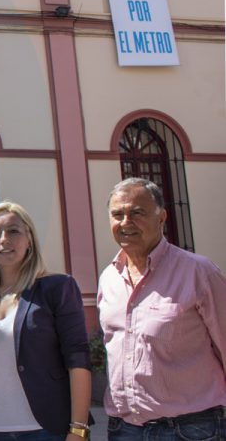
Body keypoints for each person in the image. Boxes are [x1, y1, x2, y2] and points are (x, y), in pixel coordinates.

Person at [99, 178, 226, 440]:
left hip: (191, 429)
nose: (125, 222)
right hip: (123, 429)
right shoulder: (108, 278)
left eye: (137, 213)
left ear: (162, 218)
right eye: (117, 214)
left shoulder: (198, 272)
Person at [0, 201, 91, 441]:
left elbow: (78, 359)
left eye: (13, 231)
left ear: (29, 240)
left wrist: (78, 429)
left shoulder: (57, 288)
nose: (4, 239)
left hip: (47, 431)